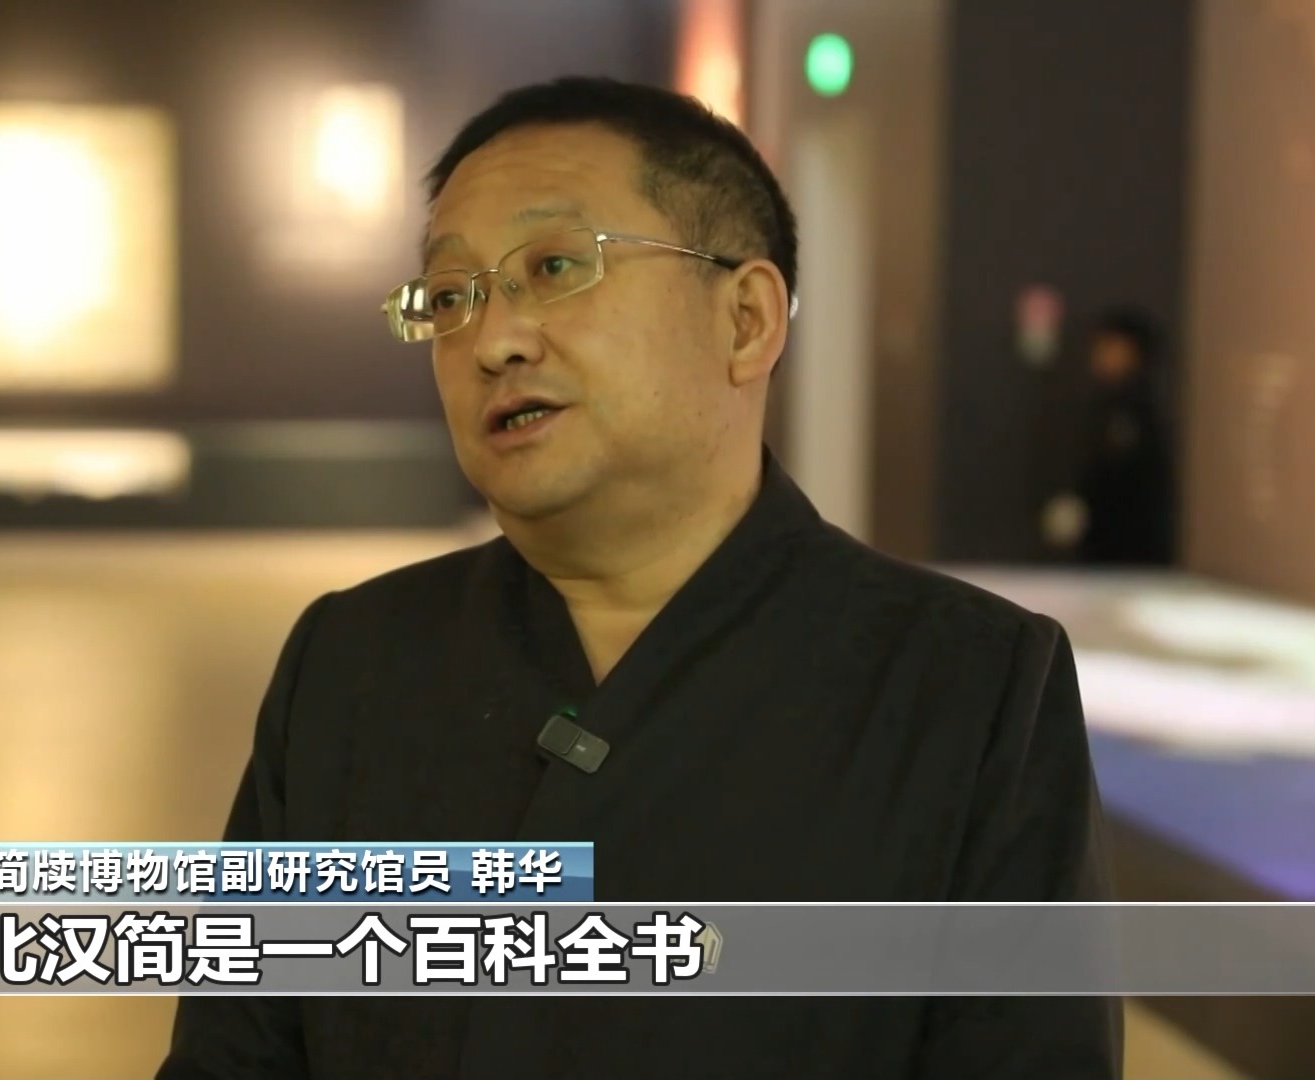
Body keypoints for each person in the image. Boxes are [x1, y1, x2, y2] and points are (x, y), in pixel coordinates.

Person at [158, 76, 1120, 1080]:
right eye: (449, 297)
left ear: (745, 320)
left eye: (554, 266)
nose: (493, 341)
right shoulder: (353, 661)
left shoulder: (969, 685)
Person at [1067, 309, 1177, 565]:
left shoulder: (1136, 411)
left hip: (1130, 547)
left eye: (1111, 347)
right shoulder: (1105, 406)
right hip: (1105, 544)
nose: (1100, 356)